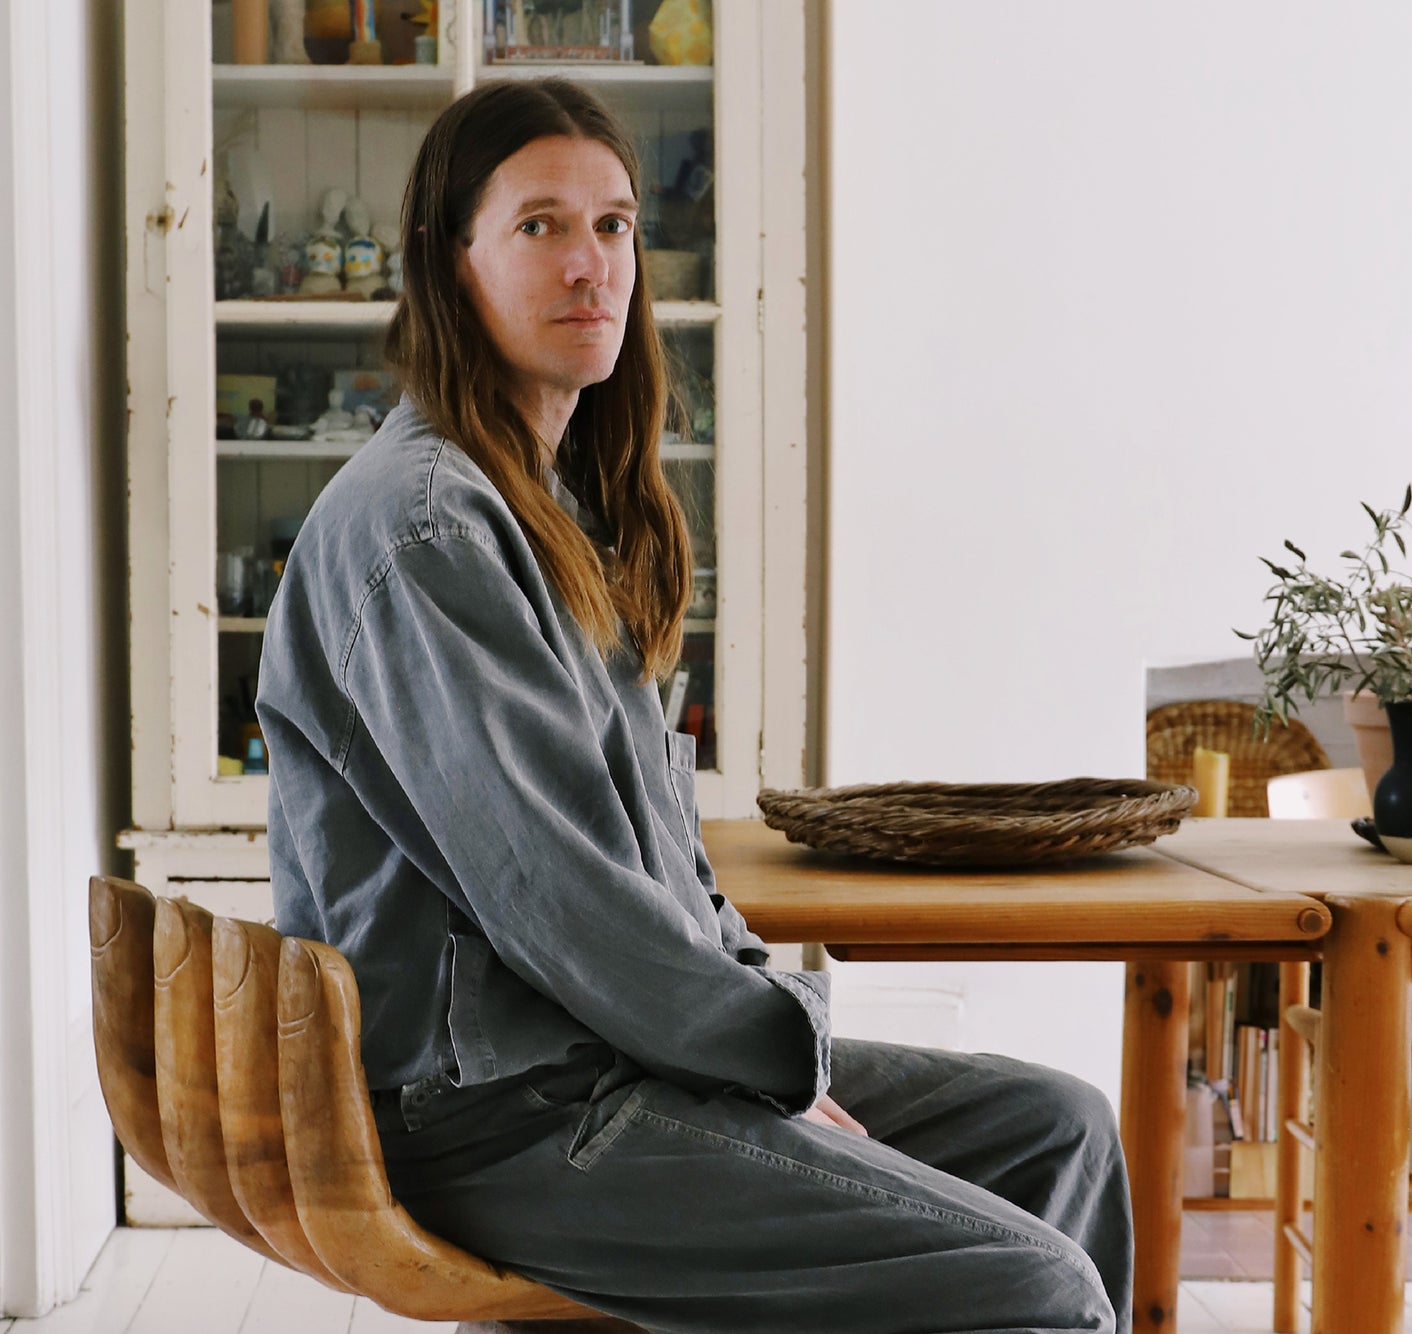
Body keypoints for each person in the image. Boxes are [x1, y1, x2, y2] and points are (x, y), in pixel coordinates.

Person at [254, 78, 1132, 1334]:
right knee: (1037, 1286)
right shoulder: (429, 524)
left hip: (591, 1063)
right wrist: (774, 1056)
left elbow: (657, 850)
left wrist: (771, 1027)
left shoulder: (547, 509)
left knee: (1056, 1128)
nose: (589, 264)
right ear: (449, 266)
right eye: (540, 225)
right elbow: (563, 897)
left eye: (612, 225)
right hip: (502, 1110)